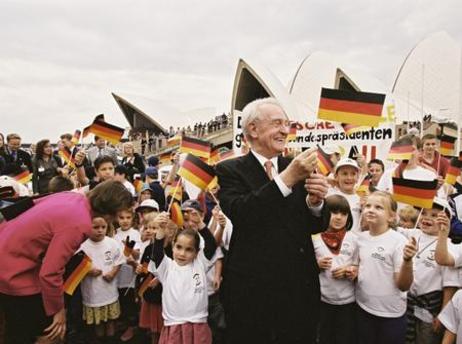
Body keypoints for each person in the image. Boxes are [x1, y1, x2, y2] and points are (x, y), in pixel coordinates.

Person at [215, 97, 328, 343]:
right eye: (277, 123)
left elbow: (314, 225)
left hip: (298, 289)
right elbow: (244, 213)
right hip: (253, 292)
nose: (285, 130)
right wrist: (286, 179)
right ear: (253, 129)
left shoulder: (296, 166)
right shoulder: (229, 170)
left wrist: (317, 202)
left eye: (287, 124)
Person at [0, 180, 133, 343]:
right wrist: (58, 310)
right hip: (14, 271)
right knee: (45, 333)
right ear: (109, 213)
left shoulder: (74, 198)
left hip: (10, 253)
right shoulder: (79, 223)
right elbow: (50, 273)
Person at [355, 191, 417, 344]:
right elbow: (361, 270)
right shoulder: (360, 238)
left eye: (378, 207)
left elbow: (403, 285)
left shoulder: (399, 242)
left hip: (391, 316)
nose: (371, 209)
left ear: (391, 217)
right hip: (362, 309)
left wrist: (407, 261)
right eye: (368, 206)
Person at [148, 211, 217, 344]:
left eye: (189, 249)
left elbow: (211, 245)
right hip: (174, 324)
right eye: (178, 247)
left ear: (197, 252)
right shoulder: (167, 267)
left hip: (197, 323)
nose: (182, 253)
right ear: (173, 246)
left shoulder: (200, 264)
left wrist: (200, 223)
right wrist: (161, 229)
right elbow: (157, 253)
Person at [399, 198, 460, 344]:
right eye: (424, 213)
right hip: (407, 302)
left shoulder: (449, 246)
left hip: (430, 306)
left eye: (434, 215)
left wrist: (443, 315)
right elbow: (391, 226)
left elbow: (449, 285)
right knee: (405, 338)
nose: (427, 218)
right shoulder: (412, 234)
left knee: (425, 339)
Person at [312, 195, 358, 344]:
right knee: (324, 337)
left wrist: (351, 270)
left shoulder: (354, 239)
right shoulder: (314, 237)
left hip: (348, 303)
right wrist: (316, 265)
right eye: (334, 212)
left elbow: (359, 265)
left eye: (344, 214)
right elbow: (303, 267)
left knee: (344, 338)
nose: (339, 217)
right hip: (322, 302)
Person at [79, 216, 124, 341]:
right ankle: (100, 340)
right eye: (96, 227)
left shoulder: (112, 243)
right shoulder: (83, 246)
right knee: (98, 322)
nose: (100, 230)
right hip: (92, 293)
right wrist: (87, 271)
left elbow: (119, 260)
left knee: (110, 321)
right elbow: (76, 265)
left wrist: (113, 272)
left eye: (103, 227)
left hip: (109, 291)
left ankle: (111, 339)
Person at [114, 208, 141, 342]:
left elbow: (137, 254)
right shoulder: (115, 233)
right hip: (117, 274)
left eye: (128, 217)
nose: (125, 221)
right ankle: (124, 322)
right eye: (121, 218)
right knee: (121, 299)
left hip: (130, 274)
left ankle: (132, 326)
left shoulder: (135, 233)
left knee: (130, 301)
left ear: (132, 218)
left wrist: (128, 248)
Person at [327, 158, 362, 232]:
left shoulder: (361, 200)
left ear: (358, 177)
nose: (349, 178)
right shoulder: (328, 193)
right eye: (344, 174)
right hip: (329, 240)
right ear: (336, 176)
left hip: (353, 242)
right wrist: (328, 180)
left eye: (353, 174)